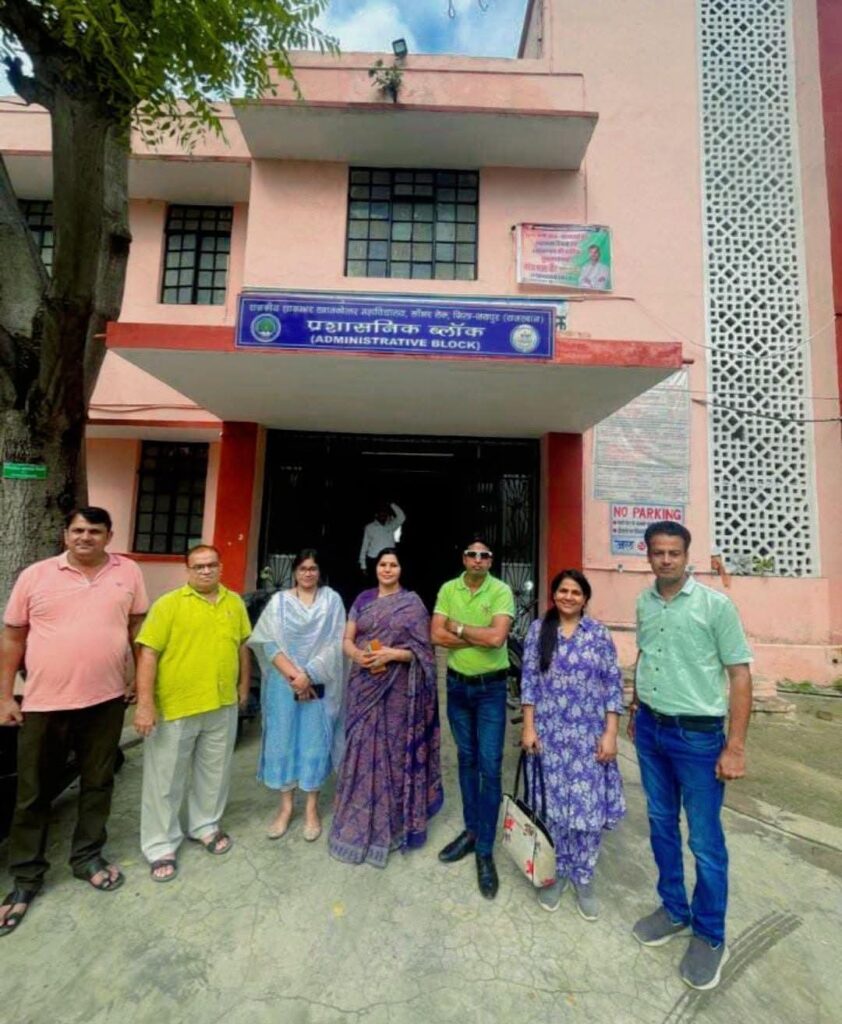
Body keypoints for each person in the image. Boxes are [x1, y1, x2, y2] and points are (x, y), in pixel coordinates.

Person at [0, 507, 148, 936]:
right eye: (78, 530)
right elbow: (13, 636)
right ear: (66, 534)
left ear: (109, 535)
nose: (85, 537)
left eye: (94, 531)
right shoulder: (37, 575)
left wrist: (139, 682)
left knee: (98, 782)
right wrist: (5, 694)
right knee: (32, 792)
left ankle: (87, 857)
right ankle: (26, 878)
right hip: (45, 703)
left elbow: (138, 628)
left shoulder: (128, 573)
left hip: (104, 701)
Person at [628, 521, 752, 991]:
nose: (665, 559)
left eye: (673, 553)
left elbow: (739, 676)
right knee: (660, 823)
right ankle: (674, 909)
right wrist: (638, 696)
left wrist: (735, 746)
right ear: (648, 555)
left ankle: (710, 934)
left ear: (686, 555)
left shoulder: (715, 606)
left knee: (704, 839)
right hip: (651, 731)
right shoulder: (644, 601)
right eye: (657, 552)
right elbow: (648, 652)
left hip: (698, 738)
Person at [133, 544, 252, 881]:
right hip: (176, 706)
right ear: (187, 570)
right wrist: (145, 705)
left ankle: (205, 825)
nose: (205, 571)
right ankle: (160, 845)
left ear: (221, 567)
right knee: (166, 779)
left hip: (221, 703)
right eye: (198, 566)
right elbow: (148, 654)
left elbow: (242, 646)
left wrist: (243, 688)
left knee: (214, 772)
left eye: (211, 565)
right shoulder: (168, 605)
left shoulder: (234, 602)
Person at [520, 570, 625, 920]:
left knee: (587, 810)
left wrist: (611, 733)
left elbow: (612, 685)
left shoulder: (597, 634)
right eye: (562, 591)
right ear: (554, 595)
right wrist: (529, 727)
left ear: (585, 598)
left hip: (588, 737)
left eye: (575, 592)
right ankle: (558, 872)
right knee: (554, 809)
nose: (568, 596)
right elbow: (529, 682)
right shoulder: (539, 631)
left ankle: (584, 877)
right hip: (549, 735)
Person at [329, 547, 442, 866]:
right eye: (383, 564)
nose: (388, 569)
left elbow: (424, 653)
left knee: (392, 754)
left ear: (401, 569)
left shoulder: (413, 604)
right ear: (375, 568)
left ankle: (392, 824)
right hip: (364, 684)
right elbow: (347, 640)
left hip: (397, 692)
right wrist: (357, 655)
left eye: (393, 564)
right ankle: (355, 819)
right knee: (361, 750)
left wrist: (392, 654)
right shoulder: (363, 600)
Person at [432, 539, 514, 899]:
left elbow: (498, 639)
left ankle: (484, 850)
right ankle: (470, 832)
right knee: (466, 760)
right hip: (458, 688)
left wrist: (460, 630)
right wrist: (476, 638)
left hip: (491, 690)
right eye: (472, 554)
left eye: (484, 555)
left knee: (490, 766)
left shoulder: (501, 590)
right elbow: (435, 635)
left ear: (490, 561)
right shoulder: (448, 589)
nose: (478, 559)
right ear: (463, 558)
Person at [248, 549, 346, 842]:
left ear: (320, 572)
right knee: (283, 741)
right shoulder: (279, 603)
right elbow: (267, 642)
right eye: (303, 568)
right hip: (283, 686)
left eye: (313, 568)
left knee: (314, 743)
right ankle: (286, 808)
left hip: (318, 684)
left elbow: (337, 642)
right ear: (295, 571)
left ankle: (312, 809)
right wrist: (295, 677)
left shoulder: (332, 601)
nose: (308, 574)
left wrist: (309, 675)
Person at [359, 501, 405, 578]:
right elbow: (364, 546)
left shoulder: (391, 525)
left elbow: (402, 517)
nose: (383, 514)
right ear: (376, 515)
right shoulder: (369, 527)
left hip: (390, 559)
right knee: (375, 584)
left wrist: (391, 504)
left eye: (385, 513)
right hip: (374, 560)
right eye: (381, 513)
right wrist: (363, 565)